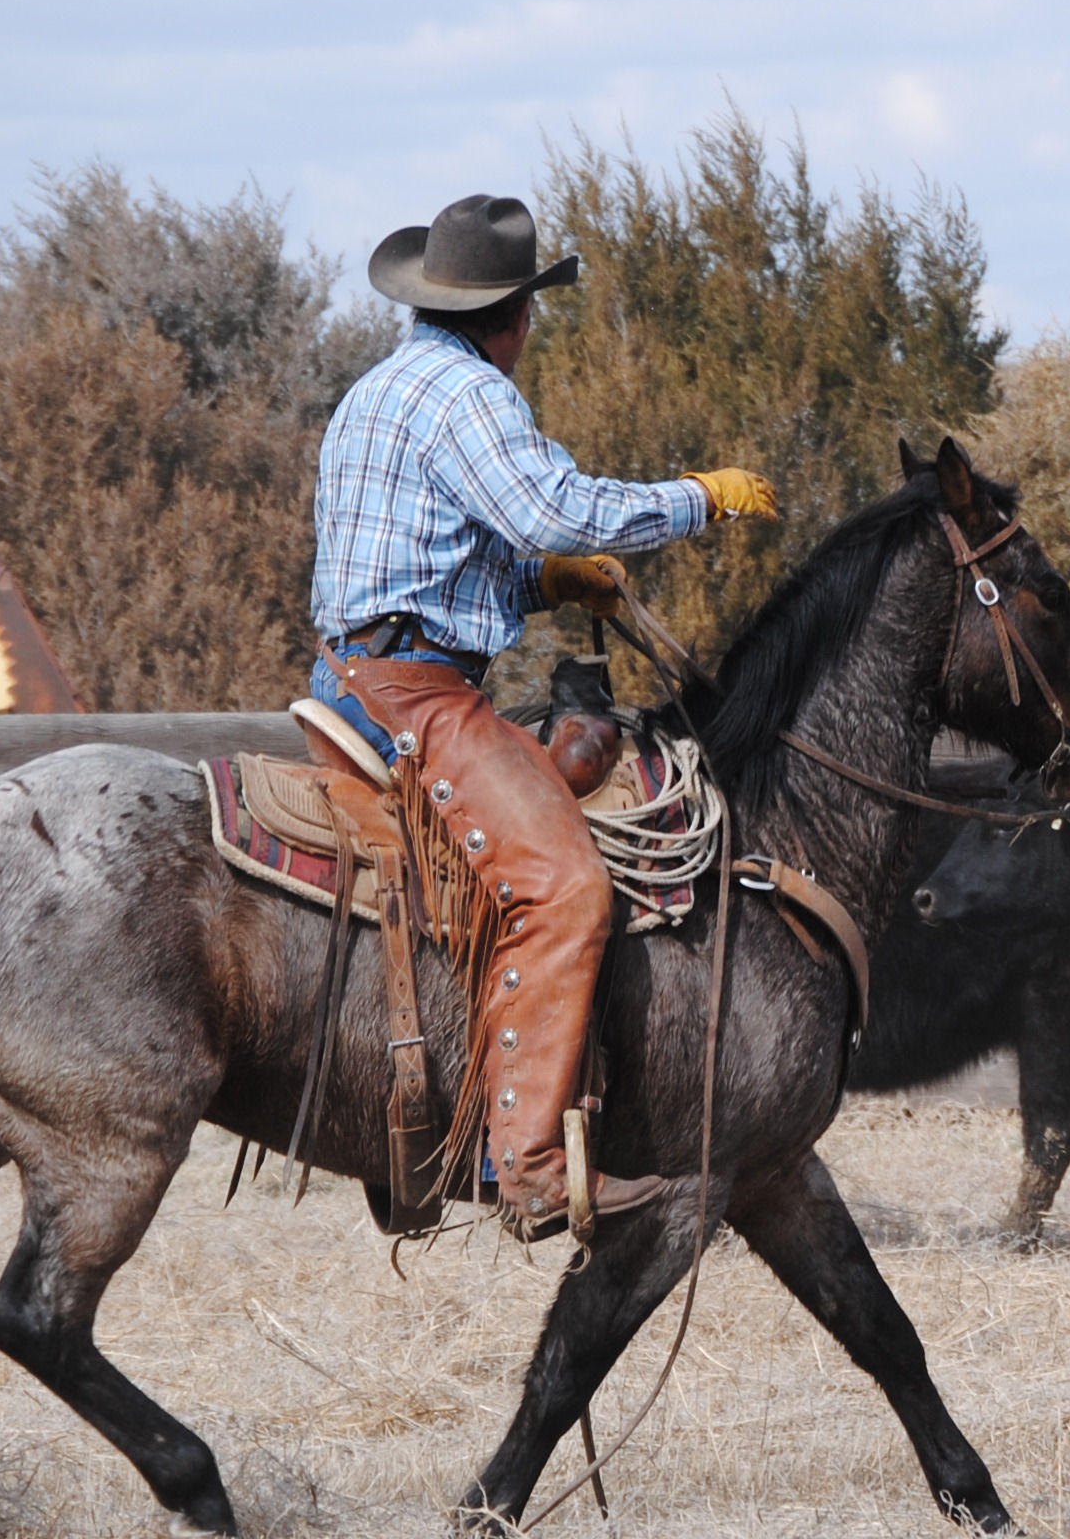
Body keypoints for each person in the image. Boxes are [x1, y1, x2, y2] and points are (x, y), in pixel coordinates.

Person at [307, 194, 776, 1236]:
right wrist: (700, 496)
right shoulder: (471, 396)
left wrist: (544, 584)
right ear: (513, 314)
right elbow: (555, 507)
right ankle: (520, 1166)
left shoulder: (378, 391)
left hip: (353, 671)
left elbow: (429, 564)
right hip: (419, 693)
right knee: (564, 887)